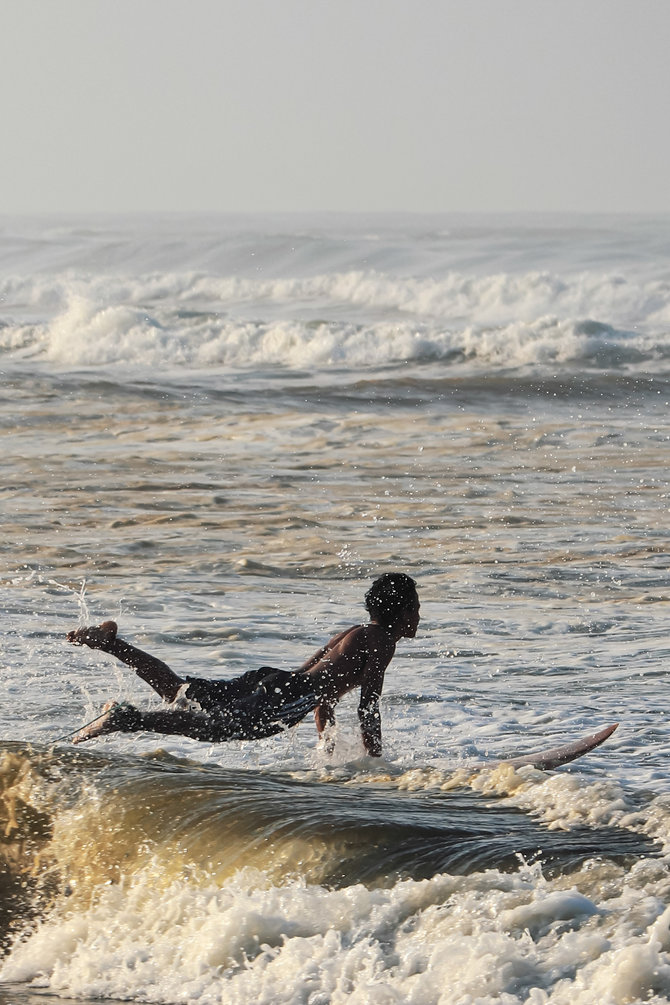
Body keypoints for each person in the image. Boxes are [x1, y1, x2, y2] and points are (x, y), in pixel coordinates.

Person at [66, 573, 420, 756]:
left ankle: (111, 643)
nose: (418, 617)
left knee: (180, 692)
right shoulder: (382, 641)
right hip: (286, 696)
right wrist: (376, 766)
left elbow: (321, 693)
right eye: (415, 609)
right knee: (210, 727)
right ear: (401, 612)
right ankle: (127, 718)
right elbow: (368, 706)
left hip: (275, 680)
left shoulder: (353, 632)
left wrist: (325, 747)